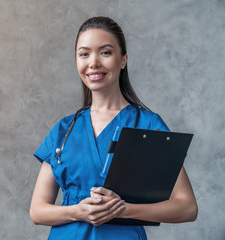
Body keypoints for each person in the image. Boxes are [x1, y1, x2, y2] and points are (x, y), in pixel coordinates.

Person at [29, 16, 198, 240]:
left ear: (123, 60)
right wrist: (77, 211)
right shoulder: (64, 129)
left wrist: (122, 209)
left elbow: (187, 207)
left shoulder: (149, 125)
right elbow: (37, 211)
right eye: (84, 54)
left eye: (105, 52)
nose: (93, 63)